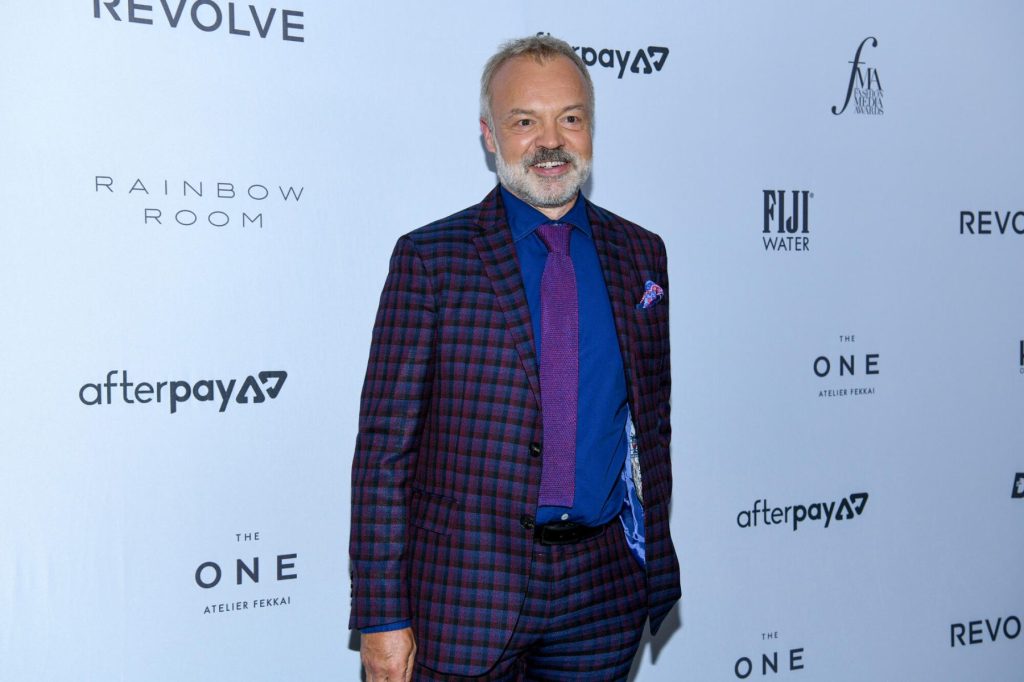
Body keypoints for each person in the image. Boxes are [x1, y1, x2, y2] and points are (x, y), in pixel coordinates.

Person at [350, 35, 680, 681]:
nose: (550, 142)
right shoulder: (431, 259)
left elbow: (652, 420)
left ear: (590, 128)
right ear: (489, 135)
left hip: (603, 591)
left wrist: (644, 564)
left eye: (570, 118)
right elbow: (384, 453)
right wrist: (382, 615)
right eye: (525, 121)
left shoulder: (641, 253)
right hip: (464, 593)